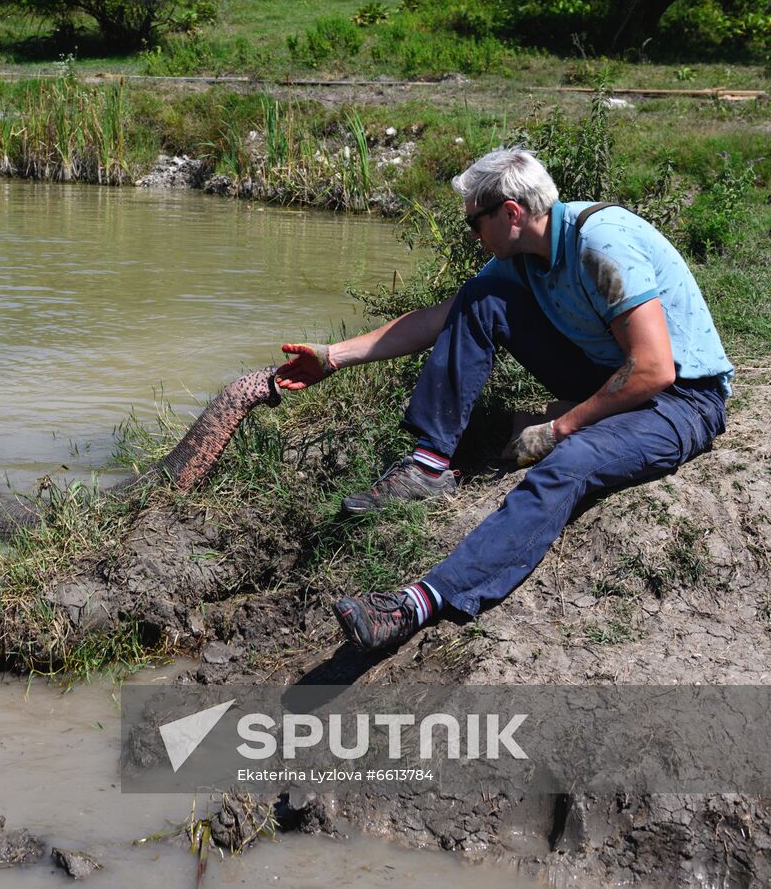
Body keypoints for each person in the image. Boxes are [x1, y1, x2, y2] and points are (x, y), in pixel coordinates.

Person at [275, 147, 733, 652]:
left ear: (510, 214)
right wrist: (333, 357)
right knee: (477, 300)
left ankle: (421, 602)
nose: (473, 235)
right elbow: (436, 320)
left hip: (681, 398)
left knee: (572, 460)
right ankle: (428, 466)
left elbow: (652, 368)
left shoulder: (601, 243)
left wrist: (559, 428)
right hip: (612, 371)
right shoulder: (528, 259)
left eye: (474, 222)